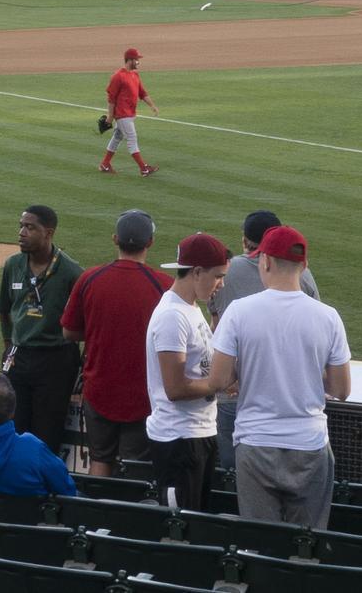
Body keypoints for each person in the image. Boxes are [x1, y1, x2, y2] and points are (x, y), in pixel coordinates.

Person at [209, 225, 350, 528]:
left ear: (266, 262)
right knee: (307, 546)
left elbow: (218, 380)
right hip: (310, 445)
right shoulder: (329, 317)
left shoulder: (238, 312)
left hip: (255, 444)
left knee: (262, 546)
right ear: (304, 266)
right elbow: (341, 389)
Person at [61, 209, 172, 476]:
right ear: (150, 243)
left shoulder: (90, 278)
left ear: (115, 239)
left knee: (100, 458)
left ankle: (95, 515)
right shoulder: (165, 286)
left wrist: (100, 331)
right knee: (134, 466)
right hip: (142, 392)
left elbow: (69, 332)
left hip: (99, 386)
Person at [208, 211, 321, 471]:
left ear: (246, 241)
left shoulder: (227, 271)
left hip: (233, 396)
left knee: (233, 481)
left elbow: (215, 325)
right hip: (289, 398)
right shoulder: (300, 275)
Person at [146, 232, 229, 510]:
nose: (221, 284)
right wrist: (218, 382)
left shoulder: (188, 309)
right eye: (217, 276)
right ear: (196, 272)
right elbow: (175, 388)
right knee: (180, 530)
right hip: (178, 440)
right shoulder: (173, 316)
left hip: (196, 435)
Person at [0, 204, 83, 455]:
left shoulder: (71, 272)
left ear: (49, 233)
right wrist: (7, 344)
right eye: (21, 226)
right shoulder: (13, 264)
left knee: (47, 431)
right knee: (13, 424)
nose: (21, 232)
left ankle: (41, 488)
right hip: (19, 355)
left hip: (56, 359)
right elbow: (4, 309)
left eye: (30, 227)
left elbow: (87, 321)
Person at [100, 48, 159, 176]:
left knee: (117, 137)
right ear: (129, 60)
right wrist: (110, 116)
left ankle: (105, 164)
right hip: (122, 114)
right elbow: (111, 97)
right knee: (132, 138)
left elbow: (142, 93)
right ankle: (143, 169)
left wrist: (152, 106)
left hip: (130, 114)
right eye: (136, 60)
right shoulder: (118, 76)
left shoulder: (135, 75)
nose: (138, 62)